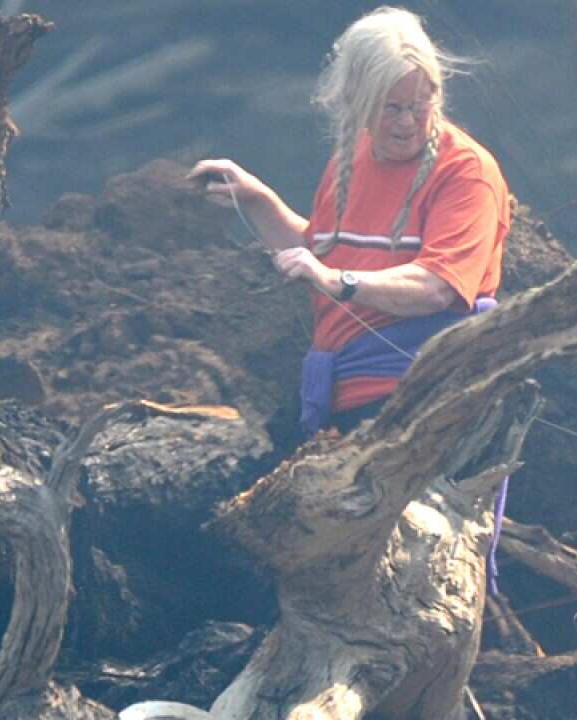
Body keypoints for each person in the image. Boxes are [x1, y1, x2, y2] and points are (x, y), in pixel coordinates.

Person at [189, 6, 509, 437]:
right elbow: (320, 253)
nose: (407, 123)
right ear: (356, 99)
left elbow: (436, 287)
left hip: (427, 395)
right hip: (345, 396)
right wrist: (256, 200)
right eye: (391, 108)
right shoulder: (350, 162)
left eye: (420, 105)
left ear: (438, 92)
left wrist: (340, 281)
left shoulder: (465, 171)